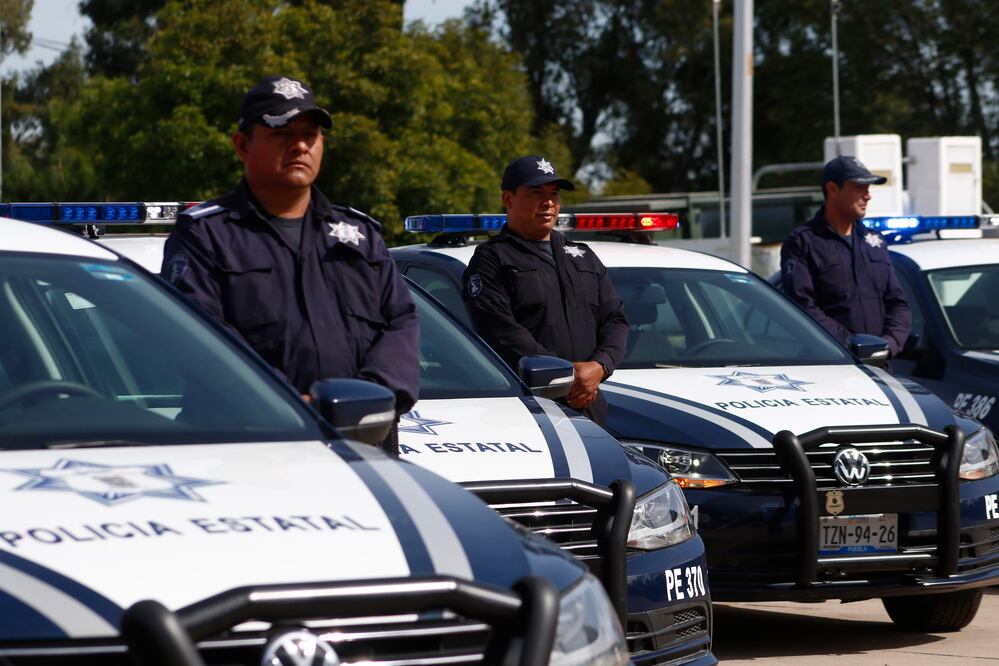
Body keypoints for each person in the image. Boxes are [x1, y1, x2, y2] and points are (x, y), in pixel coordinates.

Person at [161, 75, 419, 450]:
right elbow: (198, 340)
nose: (299, 145)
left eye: (310, 135)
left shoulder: (360, 235)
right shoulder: (206, 235)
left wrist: (366, 400)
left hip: (362, 448)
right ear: (242, 145)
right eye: (281, 133)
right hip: (251, 449)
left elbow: (401, 320)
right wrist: (285, 406)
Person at [462, 155, 628, 425]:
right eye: (536, 193)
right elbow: (501, 332)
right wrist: (568, 377)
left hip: (589, 405)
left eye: (554, 194)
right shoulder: (492, 260)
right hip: (528, 410)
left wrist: (600, 366)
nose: (548, 202)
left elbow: (615, 319)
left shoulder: (582, 256)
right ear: (508, 199)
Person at [780, 155, 911, 358]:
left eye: (868, 189)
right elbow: (802, 307)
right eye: (859, 188)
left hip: (879, 366)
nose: (868, 196)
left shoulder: (874, 242)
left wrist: (889, 345)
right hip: (830, 365)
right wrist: (851, 345)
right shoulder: (803, 242)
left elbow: (898, 303)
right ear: (833, 189)